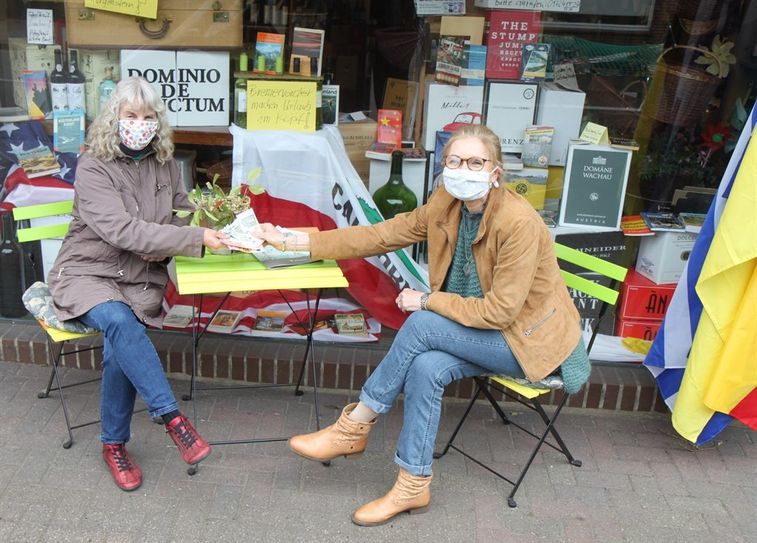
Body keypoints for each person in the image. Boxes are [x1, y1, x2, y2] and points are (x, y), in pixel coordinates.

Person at [254, 124, 590, 526]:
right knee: (426, 366)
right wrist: (296, 242)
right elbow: (380, 235)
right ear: (443, 166)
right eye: (455, 160)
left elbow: (501, 312)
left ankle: (353, 427)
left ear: (496, 172)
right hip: (479, 332)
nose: (463, 169)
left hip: (527, 341)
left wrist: (428, 300)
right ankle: (413, 485)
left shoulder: (518, 223)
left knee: (421, 323)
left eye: (475, 162)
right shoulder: (446, 202)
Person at [48, 76, 228, 491]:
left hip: (140, 279)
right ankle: (173, 419)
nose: (140, 123)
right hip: (87, 273)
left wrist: (208, 219)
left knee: (120, 338)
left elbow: (182, 212)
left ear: (158, 122)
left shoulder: (164, 161)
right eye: (131, 115)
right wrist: (188, 239)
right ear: (115, 118)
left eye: (148, 116)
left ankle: (114, 444)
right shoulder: (93, 164)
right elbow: (122, 231)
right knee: (120, 322)